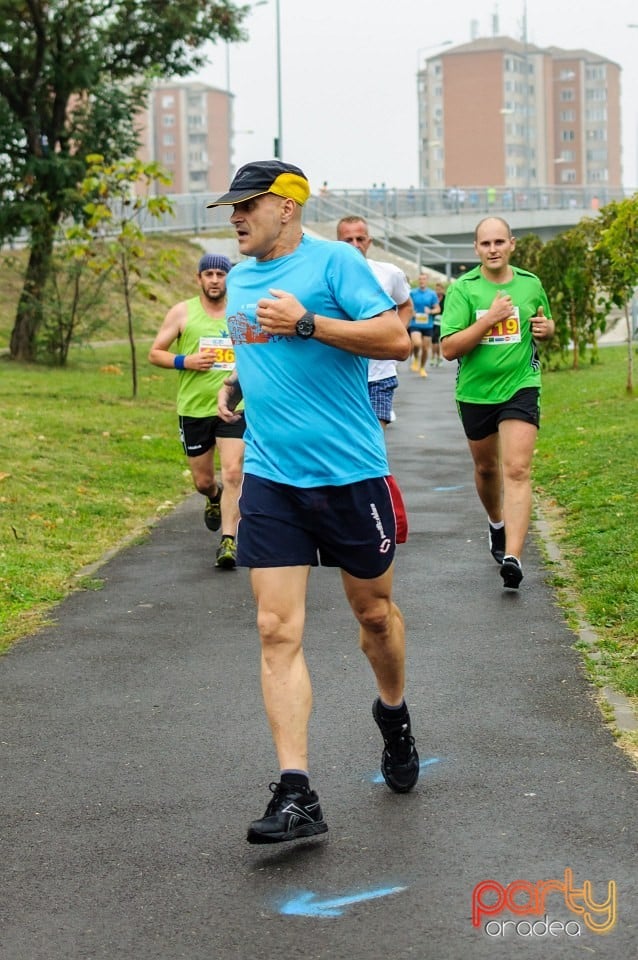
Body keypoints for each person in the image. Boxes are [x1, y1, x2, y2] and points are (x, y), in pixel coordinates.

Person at [210, 159, 419, 844]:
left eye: (247, 206)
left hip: (350, 475)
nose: (235, 218)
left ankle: (393, 712)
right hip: (273, 478)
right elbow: (253, 347)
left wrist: (309, 325)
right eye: (232, 208)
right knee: (277, 629)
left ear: (286, 208)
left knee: (374, 616)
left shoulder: (335, 265)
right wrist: (240, 387)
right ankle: (297, 791)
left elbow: (395, 338)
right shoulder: (239, 277)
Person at [440, 216, 555, 590]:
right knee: (487, 469)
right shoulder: (464, 290)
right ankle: (496, 523)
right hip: (475, 392)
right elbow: (449, 349)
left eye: (499, 242)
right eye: (486, 244)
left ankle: (514, 557)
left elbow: (545, 325)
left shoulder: (530, 284)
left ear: (511, 245)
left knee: (517, 469)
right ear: (476, 249)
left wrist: (548, 330)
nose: (493, 249)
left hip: (521, 385)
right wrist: (490, 319)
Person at [148, 253, 245, 570]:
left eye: (221, 274)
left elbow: (254, 352)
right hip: (194, 408)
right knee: (203, 481)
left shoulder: (239, 311)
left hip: (235, 406)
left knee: (233, 472)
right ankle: (213, 496)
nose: (215, 279)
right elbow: (155, 353)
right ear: (199, 279)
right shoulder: (182, 312)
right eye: (209, 274)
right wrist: (184, 361)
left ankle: (229, 540)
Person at [336, 215, 413, 428]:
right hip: (340, 377)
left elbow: (406, 306)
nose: (355, 245)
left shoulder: (389, 273)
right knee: (345, 447)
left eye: (360, 239)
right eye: (348, 240)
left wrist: (396, 335)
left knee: (374, 445)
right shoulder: (326, 276)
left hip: (379, 375)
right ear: (337, 244)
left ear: (369, 242)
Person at [408, 271, 440, 376]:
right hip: (415, 323)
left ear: (427, 281)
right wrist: (411, 312)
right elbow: (406, 306)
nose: (422, 281)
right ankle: (416, 358)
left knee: (426, 349)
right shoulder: (412, 293)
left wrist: (430, 311)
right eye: (420, 279)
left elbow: (437, 309)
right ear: (418, 281)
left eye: (424, 279)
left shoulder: (432, 294)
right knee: (417, 344)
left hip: (428, 325)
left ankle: (422, 368)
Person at [431, 280, 447, 367]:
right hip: (433, 321)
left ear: (443, 290)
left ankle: (440, 357)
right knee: (434, 340)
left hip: (443, 321)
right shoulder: (433, 298)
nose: (438, 291)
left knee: (440, 339)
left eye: (439, 289)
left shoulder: (446, 298)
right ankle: (434, 357)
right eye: (436, 289)